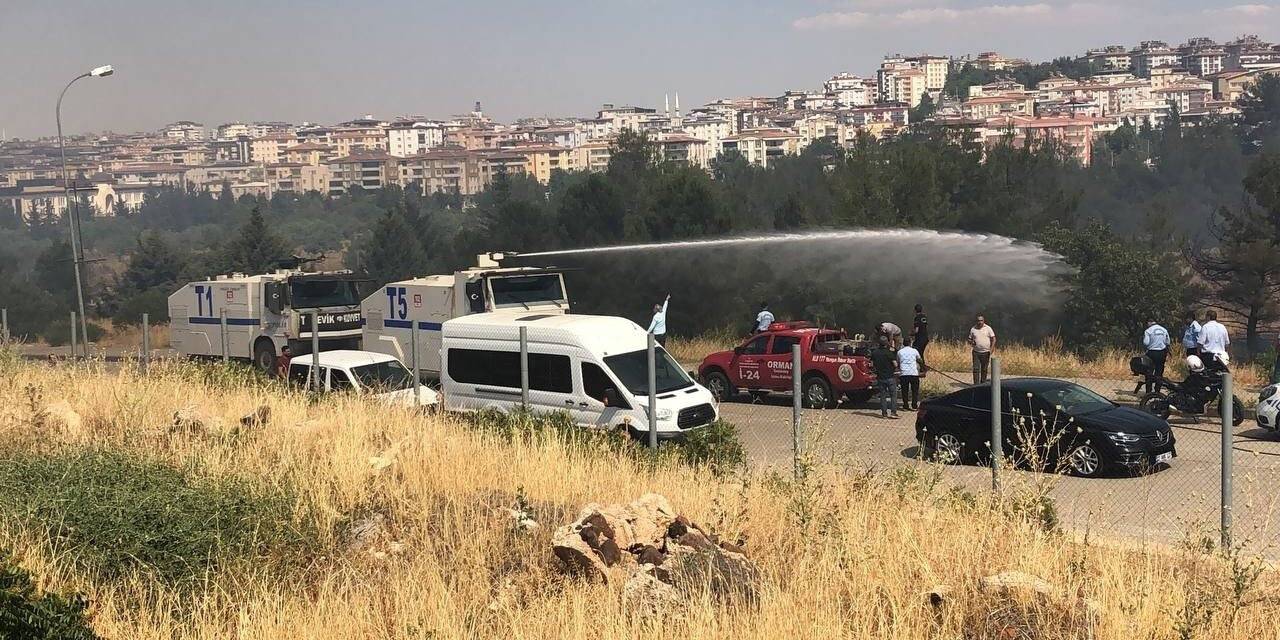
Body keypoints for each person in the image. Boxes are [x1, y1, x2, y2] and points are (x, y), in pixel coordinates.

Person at [868, 335, 899, 419]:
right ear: (886, 343)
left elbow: (871, 364)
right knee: (893, 395)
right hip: (890, 377)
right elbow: (895, 364)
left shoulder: (875, 353)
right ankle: (893, 412)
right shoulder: (889, 352)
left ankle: (884, 414)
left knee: (883, 396)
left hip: (880, 377)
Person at [1141, 319, 1170, 395]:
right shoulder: (1164, 330)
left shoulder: (1148, 331)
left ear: (1149, 322)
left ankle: (1148, 392)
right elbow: (1167, 342)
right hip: (1161, 353)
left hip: (1151, 353)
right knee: (1159, 372)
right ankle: (1157, 391)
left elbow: (1146, 343)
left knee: (1149, 372)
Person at [897, 337, 925, 411]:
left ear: (903, 343)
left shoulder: (900, 352)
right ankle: (914, 405)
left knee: (904, 390)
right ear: (910, 343)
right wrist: (923, 368)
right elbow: (920, 360)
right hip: (913, 373)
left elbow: (898, 362)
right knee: (915, 390)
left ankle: (905, 405)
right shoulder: (914, 351)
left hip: (904, 373)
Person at [968, 315, 996, 385]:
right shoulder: (973, 329)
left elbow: (994, 339)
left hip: (986, 352)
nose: (980, 322)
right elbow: (969, 339)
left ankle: (982, 384)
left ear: (984, 321)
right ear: (976, 321)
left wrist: (991, 349)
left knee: (984, 369)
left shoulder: (988, 328)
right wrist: (971, 342)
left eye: (981, 320)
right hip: (976, 352)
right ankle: (976, 385)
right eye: (978, 320)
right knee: (976, 369)